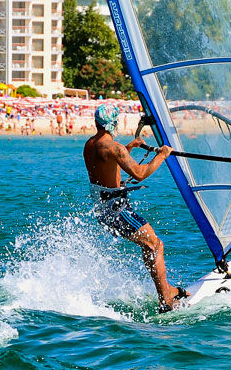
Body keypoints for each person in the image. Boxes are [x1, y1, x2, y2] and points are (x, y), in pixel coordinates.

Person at [84, 104, 186, 312]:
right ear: (113, 123)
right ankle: (166, 300)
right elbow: (139, 173)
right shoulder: (114, 148)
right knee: (155, 245)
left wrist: (129, 148)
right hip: (116, 209)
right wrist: (162, 155)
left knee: (149, 245)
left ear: (96, 123)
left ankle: (166, 290)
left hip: (103, 208)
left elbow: (108, 167)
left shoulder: (90, 145)